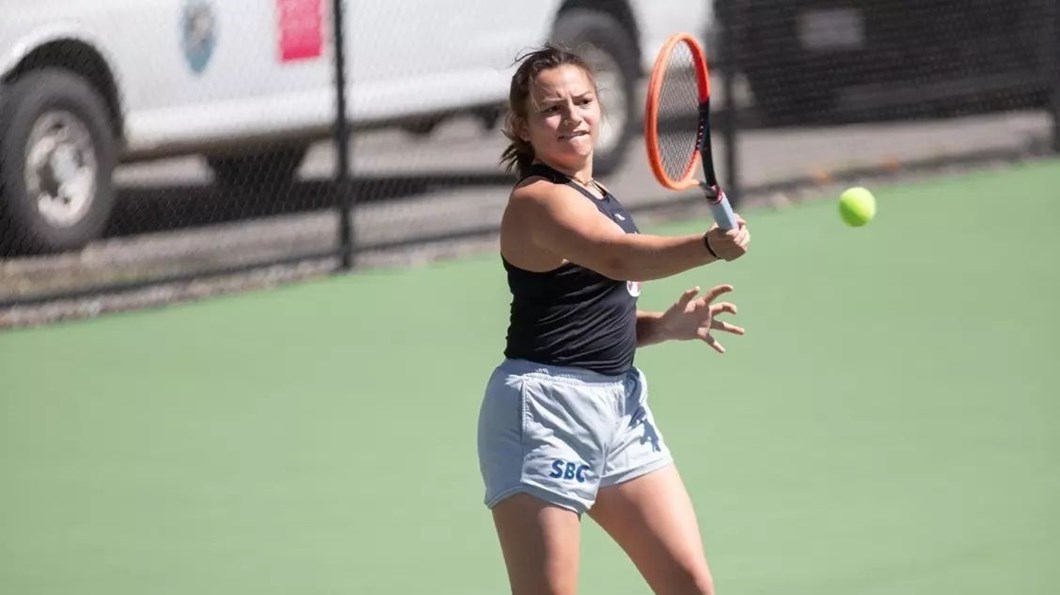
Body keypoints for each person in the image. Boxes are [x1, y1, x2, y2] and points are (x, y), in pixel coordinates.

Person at [476, 45, 751, 595]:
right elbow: (618, 258)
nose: (572, 117)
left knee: (689, 584)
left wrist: (660, 326)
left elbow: (584, 313)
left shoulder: (598, 196)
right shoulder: (538, 200)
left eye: (582, 101)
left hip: (620, 409)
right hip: (545, 414)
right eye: (552, 109)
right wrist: (708, 246)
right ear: (523, 128)